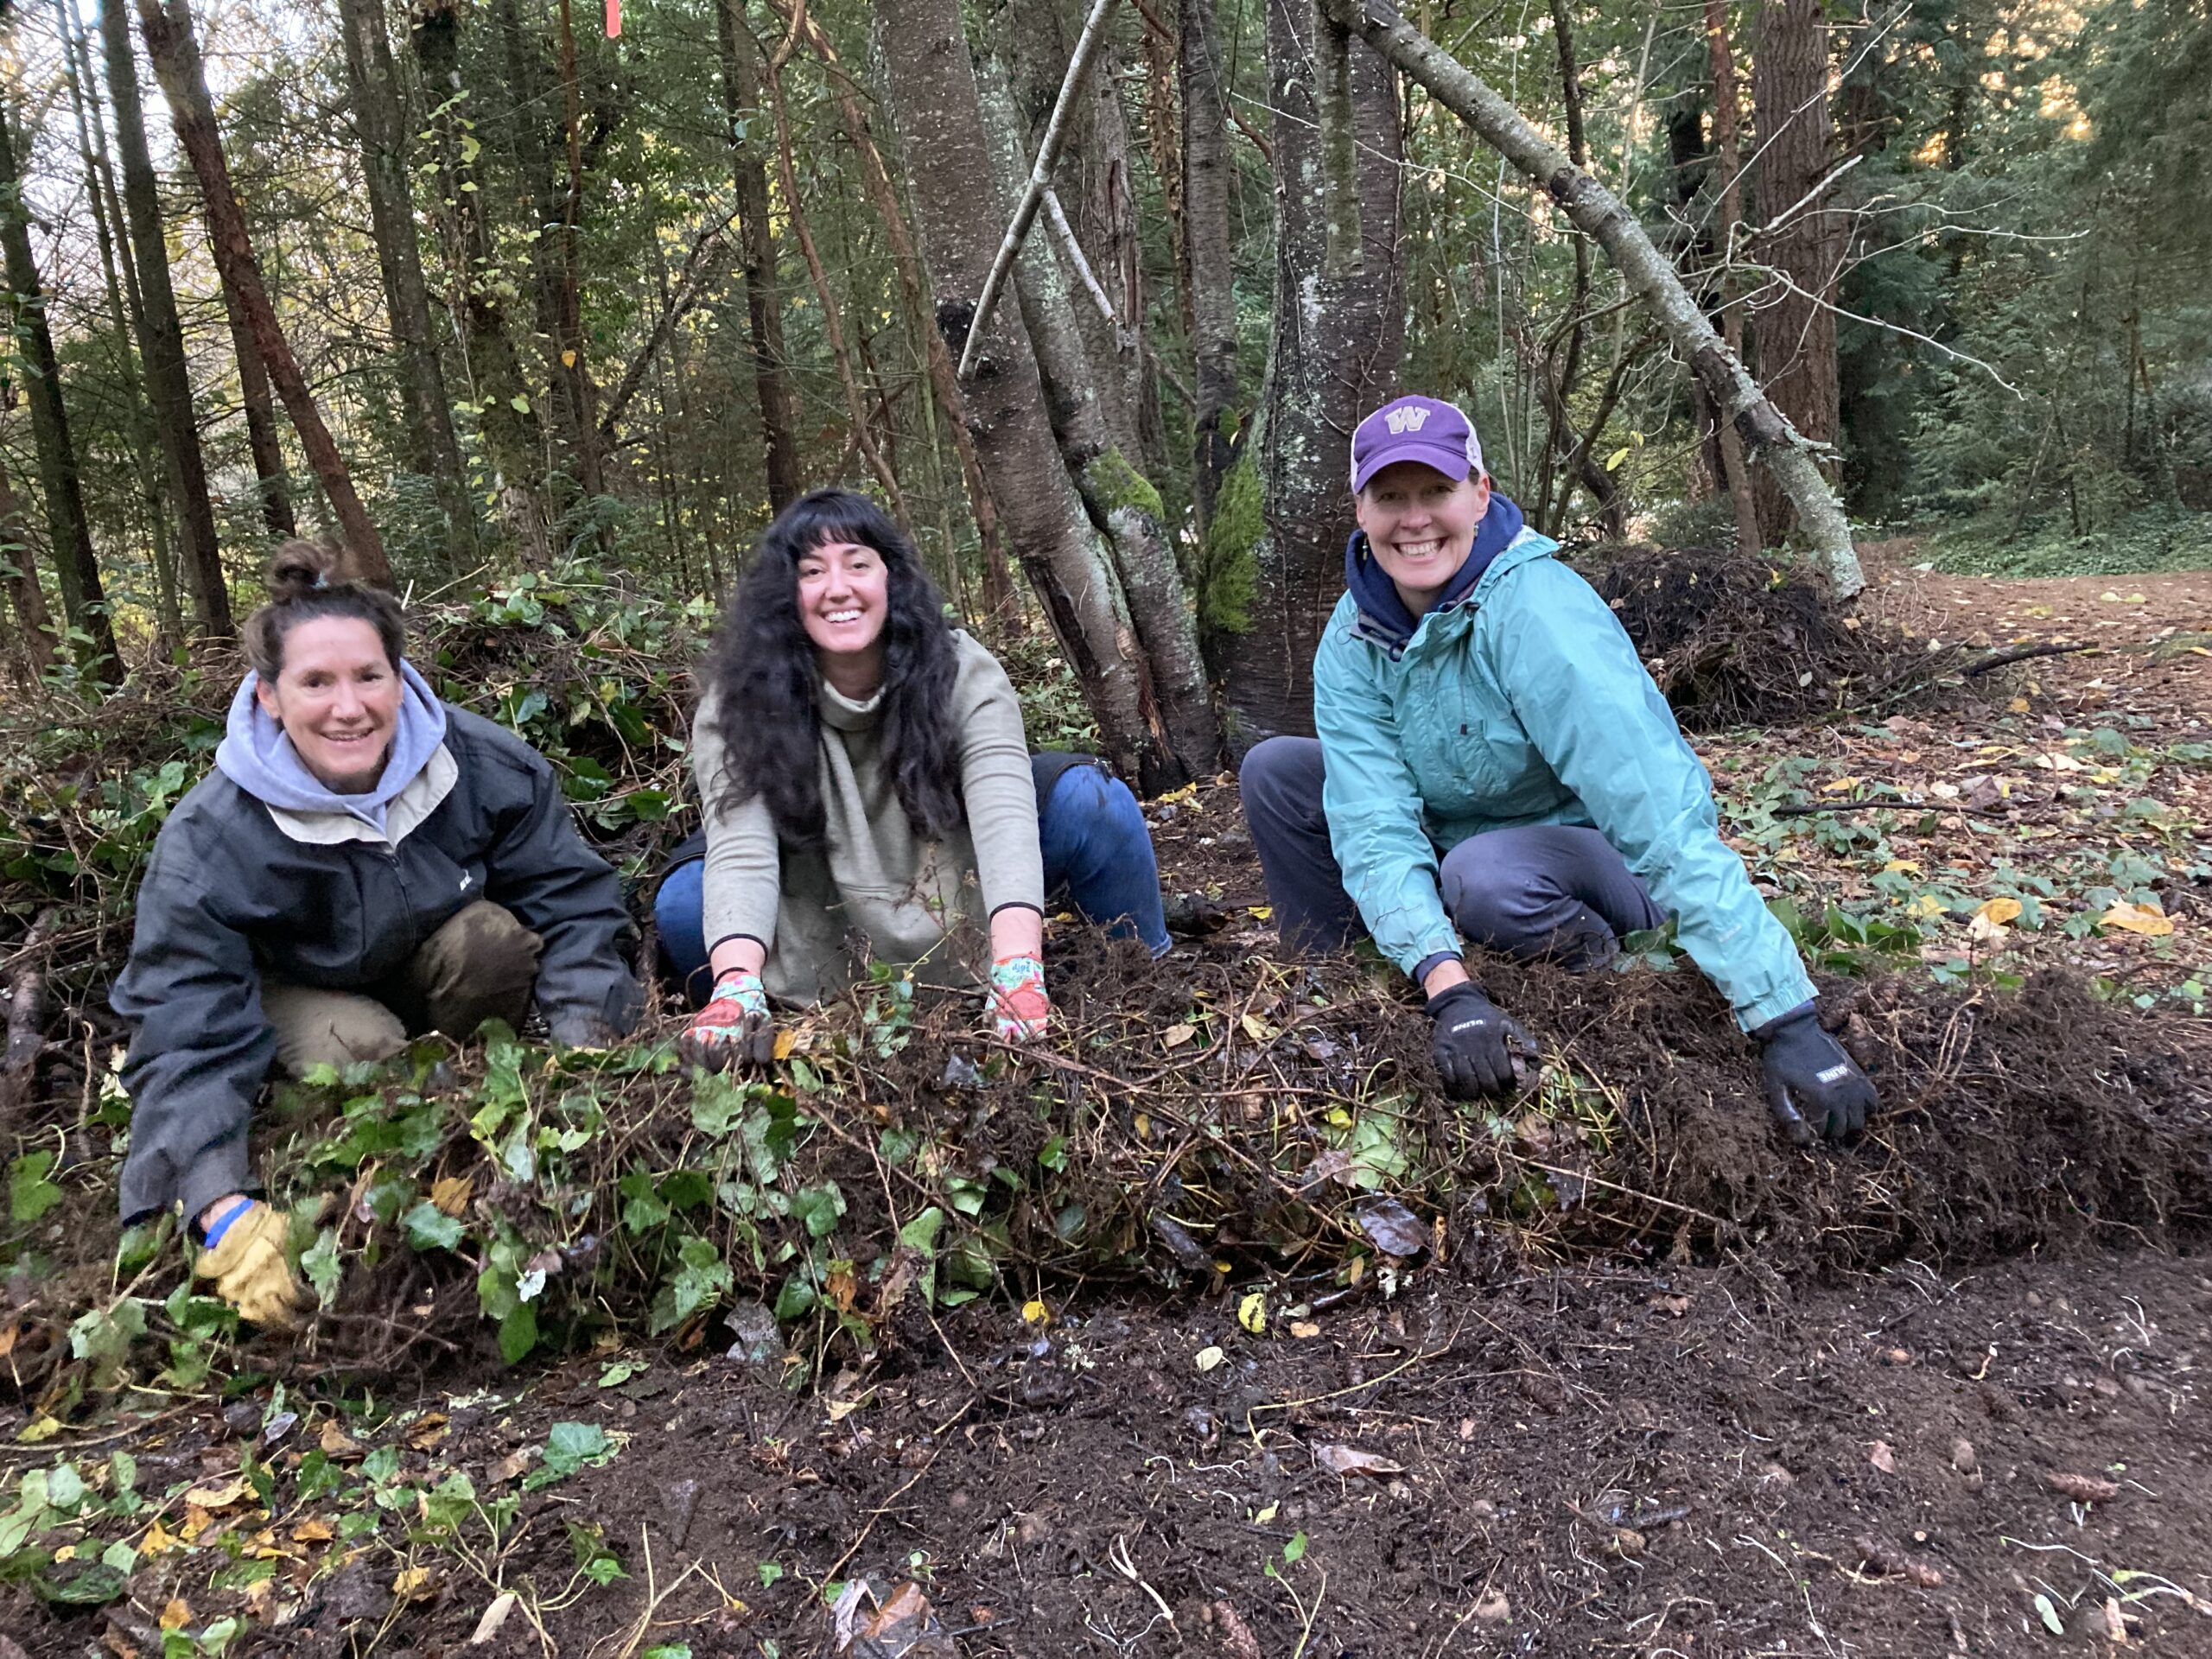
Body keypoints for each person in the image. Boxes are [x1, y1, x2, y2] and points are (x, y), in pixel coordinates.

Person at [1239, 395, 1878, 1144]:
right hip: (1462, 851)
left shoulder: (1535, 610)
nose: (1415, 520)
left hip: (1594, 863)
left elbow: (1655, 812)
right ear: (1361, 509)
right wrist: (1450, 990)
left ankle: (1592, 982)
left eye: (1437, 492)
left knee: (1487, 875)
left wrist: (1786, 1019)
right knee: (1278, 770)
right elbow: (1372, 819)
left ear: (1479, 493)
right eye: (1390, 498)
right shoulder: (1356, 636)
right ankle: (1355, 992)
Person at [113, 542, 643, 1327]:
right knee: (353, 1043)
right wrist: (215, 1202)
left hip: (432, 960)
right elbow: (184, 1024)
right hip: (304, 992)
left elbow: (573, 903)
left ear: (400, 679)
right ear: (269, 697)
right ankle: (347, 1120)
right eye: (315, 683)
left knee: (492, 942)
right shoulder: (208, 843)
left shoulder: (480, 763)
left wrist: (587, 1046)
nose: (349, 707)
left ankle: (471, 1096)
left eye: (368, 677)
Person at [658, 488, 1171, 1065]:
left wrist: (1019, 965)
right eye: (811, 571)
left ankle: (1142, 986)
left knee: (1092, 801)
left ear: (890, 580)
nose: (838, 589)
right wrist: (733, 979)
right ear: (785, 594)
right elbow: (742, 850)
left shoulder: (962, 670)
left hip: (954, 875)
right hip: (820, 898)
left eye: (858, 565)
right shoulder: (738, 702)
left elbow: (1003, 811)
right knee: (683, 903)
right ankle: (750, 1023)